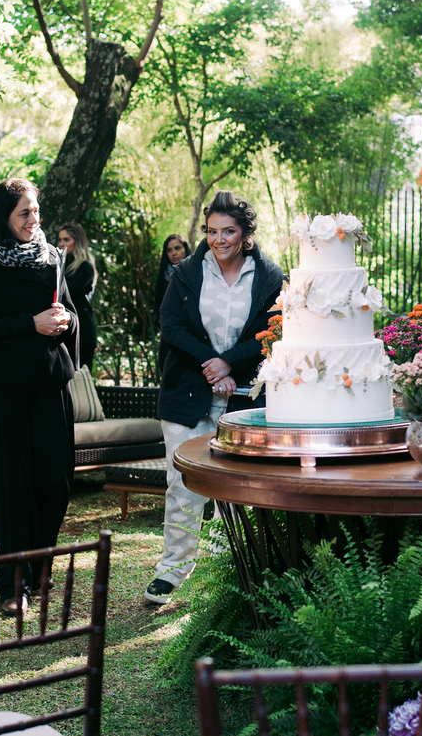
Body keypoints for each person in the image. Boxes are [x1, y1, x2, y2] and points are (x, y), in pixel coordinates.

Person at [145, 191, 284, 604]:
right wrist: (212, 364)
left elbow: (274, 330)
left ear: (245, 234)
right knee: (182, 485)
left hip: (244, 397)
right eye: (211, 231)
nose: (218, 239)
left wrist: (229, 364)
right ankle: (172, 570)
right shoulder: (187, 271)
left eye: (228, 231)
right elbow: (171, 326)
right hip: (187, 391)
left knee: (236, 490)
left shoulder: (269, 276)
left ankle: (230, 573)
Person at [0, 178, 78, 611]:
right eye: (24, 212)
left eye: (36, 211)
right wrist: (30, 323)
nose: (33, 219)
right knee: (10, 486)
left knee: (55, 481)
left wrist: (65, 322)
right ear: (3, 216)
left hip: (48, 383)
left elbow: (72, 314)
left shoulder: (53, 256)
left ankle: (39, 567)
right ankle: (13, 585)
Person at [58, 222, 98, 370]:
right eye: (60, 239)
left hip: (82, 331)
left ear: (77, 241)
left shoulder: (84, 266)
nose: (61, 243)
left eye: (66, 239)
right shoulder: (61, 265)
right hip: (65, 329)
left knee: (80, 377)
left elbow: (69, 291)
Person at [153, 234, 192, 372]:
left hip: (192, 332)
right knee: (166, 368)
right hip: (169, 330)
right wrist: (161, 320)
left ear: (185, 249)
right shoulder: (164, 275)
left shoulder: (197, 271)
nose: (174, 253)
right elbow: (158, 303)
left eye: (177, 248)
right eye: (169, 250)